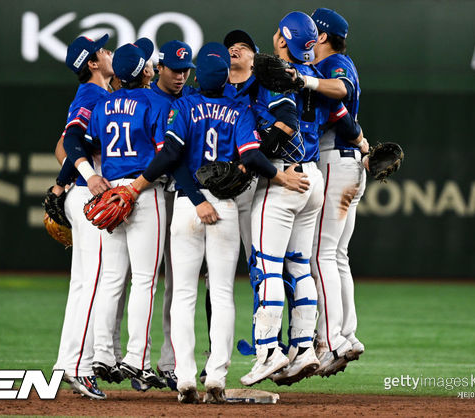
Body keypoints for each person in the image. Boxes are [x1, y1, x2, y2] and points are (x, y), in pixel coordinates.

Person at [120, 42, 309, 403]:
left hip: (187, 209)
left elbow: (172, 157)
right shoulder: (238, 109)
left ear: (195, 78)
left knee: (183, 296)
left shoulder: (183, 106)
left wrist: (189, 197)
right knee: (222, 293)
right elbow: (252, 155)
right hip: (222, 207)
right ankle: (217, 377)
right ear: (225, 79)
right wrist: (279, 177)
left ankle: (186, 378)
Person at [240, 11, 367, 387]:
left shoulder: (277, 76)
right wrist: (362, 143)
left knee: (268, 265)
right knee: (299, 264)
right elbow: (343, 118)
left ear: (281, 38)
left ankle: (268, 351)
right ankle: (304, 347)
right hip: (312, 175)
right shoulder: (317, 78)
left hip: (284, 174)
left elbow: (285, 121)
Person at [86, 38, 168, 390]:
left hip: (111, 190)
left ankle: (103, 353)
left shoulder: (104, 104)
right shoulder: (154, 101)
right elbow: (166, 154)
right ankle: (137, 357)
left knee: (112, 279)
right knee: (145, 281)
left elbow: (92, 144)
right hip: (144, 191)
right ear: (142, 71)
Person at [52, 34, 114, 400]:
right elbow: (70, 141)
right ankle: (78, 366)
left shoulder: (100, 96)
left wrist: (61, 186)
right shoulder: (92, 95)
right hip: (90, 196)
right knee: (92, 284)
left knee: (84, 285)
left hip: (82, 193)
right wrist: (86, 174)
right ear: (92, 63)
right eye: (104, 50)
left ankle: (67, 363)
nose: (108, 53)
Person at [307, 8, 367, 377]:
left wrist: (305, 82)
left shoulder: (335, 63)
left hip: (335, 162)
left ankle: (331, 341)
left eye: (314, 31)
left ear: (324, 37)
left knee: (321, 255)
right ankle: (348, 334)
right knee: (337, 255)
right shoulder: (337, 61)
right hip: (349, 163)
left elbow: (340, 90)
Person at [151, 40, 197, 390]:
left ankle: (169, 362)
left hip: (178, 196)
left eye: (185, 70)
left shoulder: (190, 101)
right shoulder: (147, 99)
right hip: (151, 193)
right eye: (174, 69)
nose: (180, 75)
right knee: (138, 281)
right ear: (159, 67)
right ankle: (126, 358)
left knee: (176, 284)